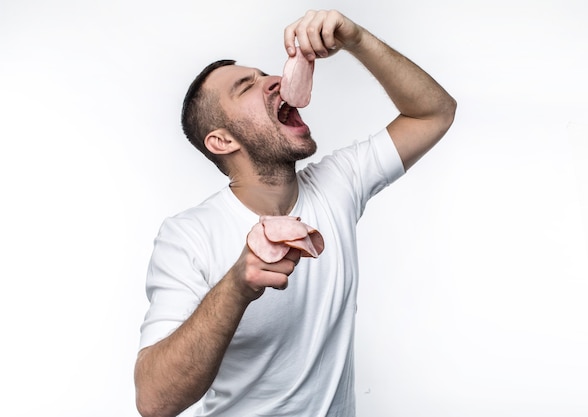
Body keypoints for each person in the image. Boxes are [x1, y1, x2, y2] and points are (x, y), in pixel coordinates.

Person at [134, 9, 456, 417]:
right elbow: (154, 401)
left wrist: (355, 38)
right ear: (221, 140)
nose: (274, 79)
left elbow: (434, 112)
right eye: (245, 86)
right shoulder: (189, 236)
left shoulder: (338, 184)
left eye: (266, 73)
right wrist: (237, 286)